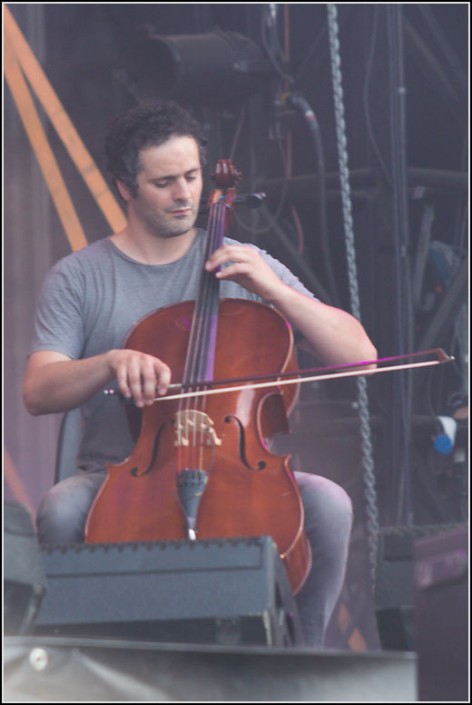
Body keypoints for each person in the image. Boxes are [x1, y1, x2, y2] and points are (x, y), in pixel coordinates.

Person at [23, 101, 377, 647]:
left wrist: (277, 291)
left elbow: (361, 355)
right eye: (164, 182)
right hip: (125, 476)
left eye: (191, 177)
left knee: (329, 504)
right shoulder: (79, 278)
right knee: (62, 508)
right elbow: (39, 390)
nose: (185, 194)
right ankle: (91, 668)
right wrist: (111, 362)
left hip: (241, 471)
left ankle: (305, 664)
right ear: (125, 186)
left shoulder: (243, 261)